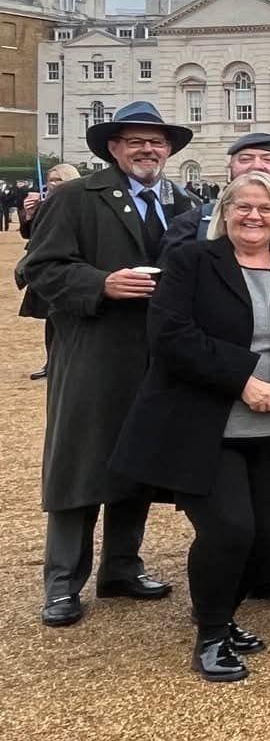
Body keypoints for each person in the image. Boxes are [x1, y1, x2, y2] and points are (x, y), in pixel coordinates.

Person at [110, 172, 270, 681]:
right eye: (243, 207)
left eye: (266, 209)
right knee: (229, 529)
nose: (254, 216)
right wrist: (243, 380)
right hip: (206, 425)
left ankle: (224, 615)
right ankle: (210, 633)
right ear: (224, 212)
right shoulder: (191, 262)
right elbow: (170, 337)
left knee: (265, 535)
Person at [23, 100, 195, 627]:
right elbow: (39, 270)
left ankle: (121, 566)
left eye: (157, 141)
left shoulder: (184, 203)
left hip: (156, 354)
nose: (148, 149)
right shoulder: (76, 197)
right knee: (79, 464)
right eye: (135, 140)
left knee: (136, 457)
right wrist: (101, 283)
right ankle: (62, 582)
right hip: (94, 352)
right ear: (114, 148)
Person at [163, 132, 270, 255]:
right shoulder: (193, 222)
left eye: (268, 159)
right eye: (245, 159)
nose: (257, 166)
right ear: (231, 169)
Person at [17, 162, 81, 383]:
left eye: (58, 180)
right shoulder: (47, 204)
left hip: (70, 268)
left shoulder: (79, 203)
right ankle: (50, 363)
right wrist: (30, 213)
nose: (52, 184)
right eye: (50, 180)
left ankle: (63, 363)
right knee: (51, 319)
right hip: (47, 268)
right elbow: (30, 235)